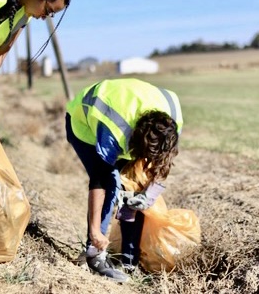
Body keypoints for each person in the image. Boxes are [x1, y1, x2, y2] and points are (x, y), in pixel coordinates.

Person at [65, 78, 183, 282]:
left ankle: (129, 260)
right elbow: (99, 179)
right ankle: (94, 254)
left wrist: (148, 197)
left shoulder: (173, 120)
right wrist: (94, 230)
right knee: (111, 183)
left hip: (126, 114)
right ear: (135, 140)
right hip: (84, 125)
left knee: (134, 185)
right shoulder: (114, 130)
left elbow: (163, 163)